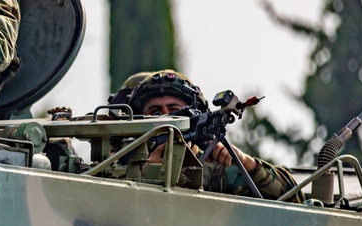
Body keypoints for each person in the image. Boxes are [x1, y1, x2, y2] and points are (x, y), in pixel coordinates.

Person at [129, 69, 303, 202]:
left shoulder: (214, 168)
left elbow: (294, 199)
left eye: (175, 111)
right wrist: (146, 171)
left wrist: (245, 162)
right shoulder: (121, 162)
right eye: (155, 112)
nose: (166, 118)